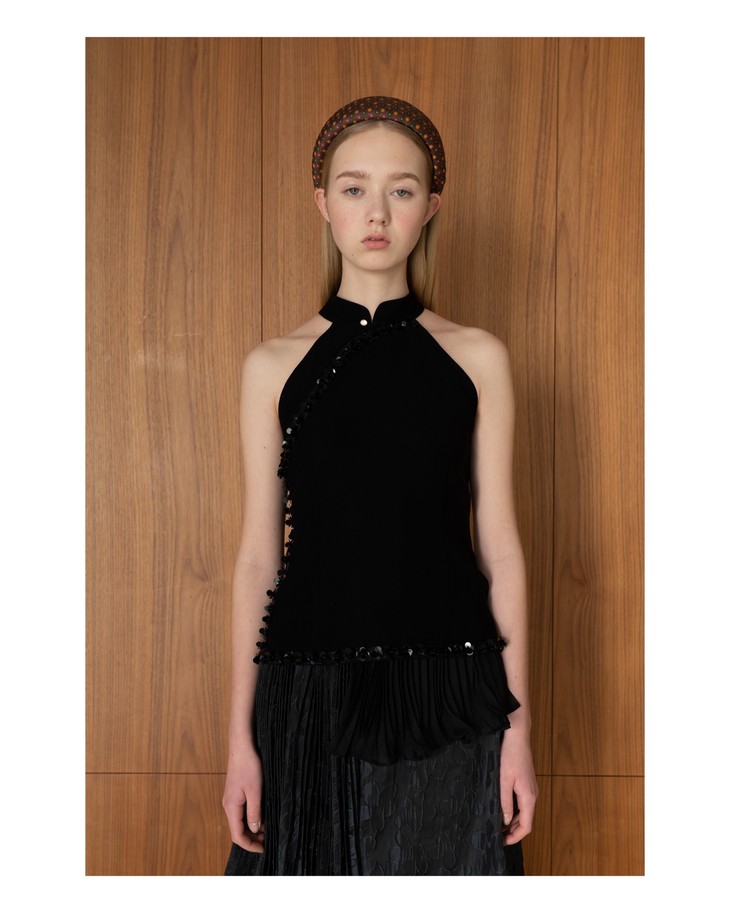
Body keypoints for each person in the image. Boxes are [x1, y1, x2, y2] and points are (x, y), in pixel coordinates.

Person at [222, 96, 538, 876]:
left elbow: (500, 550)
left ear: (430, 207)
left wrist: (520, 730)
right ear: (322, 203)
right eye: (354, 187)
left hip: (451, 692)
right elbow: (258, 559)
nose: (376, 212)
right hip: (308, 693)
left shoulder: (476, 357)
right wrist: (239, 737)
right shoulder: (272, 366)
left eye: (401, 189)